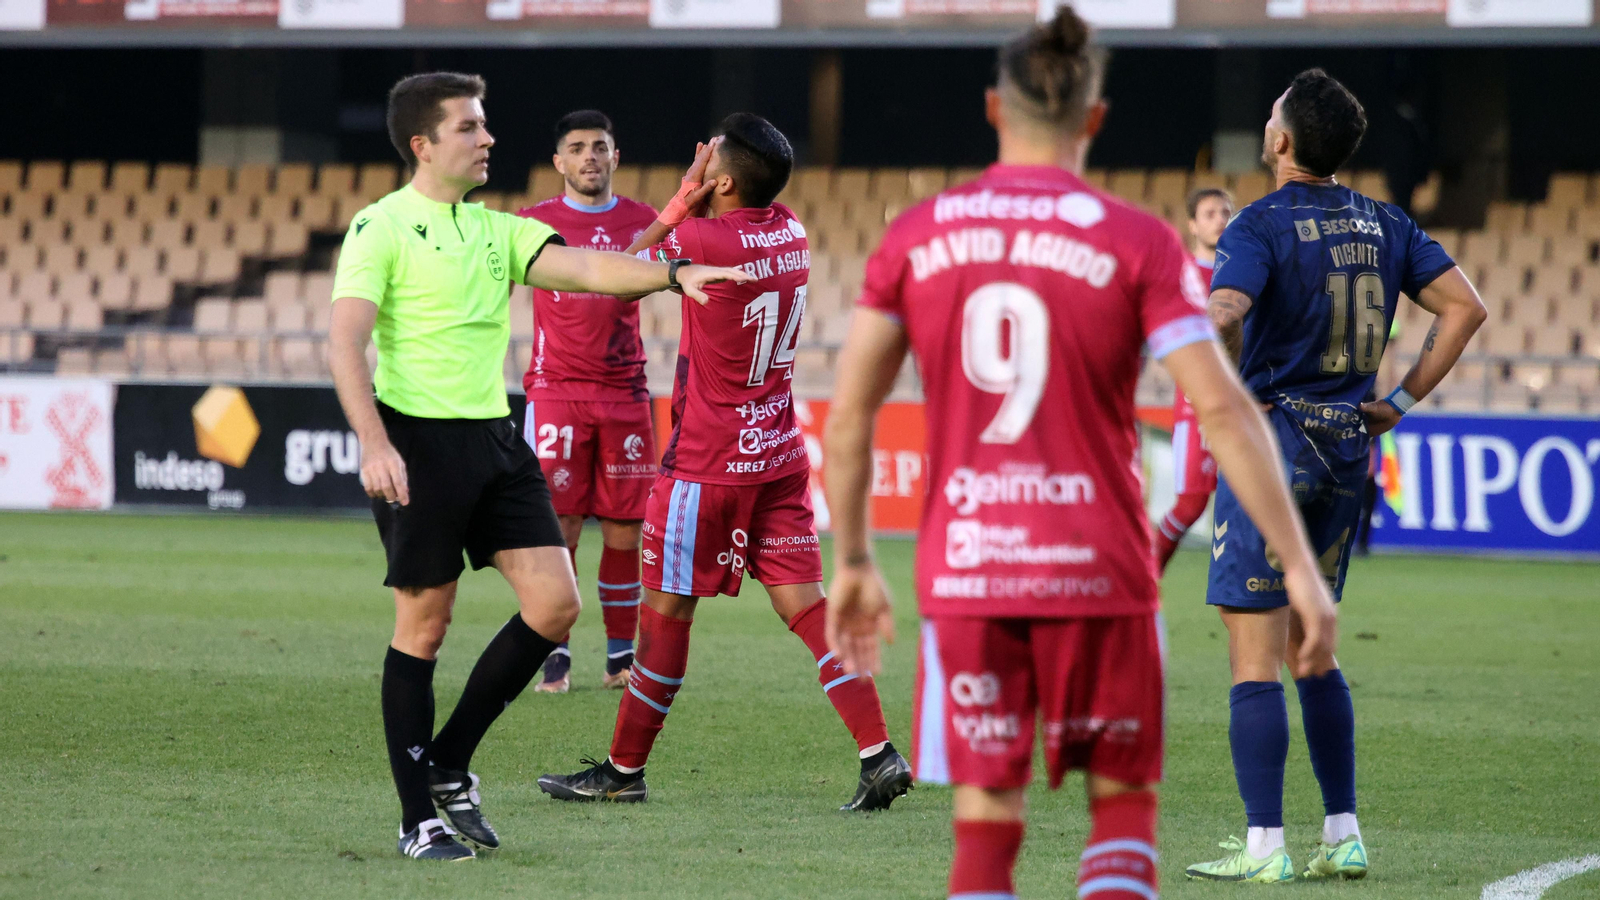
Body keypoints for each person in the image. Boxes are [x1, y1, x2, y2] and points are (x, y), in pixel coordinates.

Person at [821, 11, 1340, 900]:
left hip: (969, 574)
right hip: (1099, 574)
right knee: (1122, 827)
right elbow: (1221, 408)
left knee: (984, 843)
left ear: (993, 108)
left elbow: (850, 419)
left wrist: (858, 560)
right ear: (1094, 120)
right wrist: (1299, 566)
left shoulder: (916, 235)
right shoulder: (1135, 241)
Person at [328, 72, 750, 862]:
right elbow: (345, 342)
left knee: (556, 604)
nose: (488, 138)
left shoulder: (498, 229)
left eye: (484, 126)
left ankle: (449, 762)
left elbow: (592, 269)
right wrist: (372, 441)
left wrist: (671, 275)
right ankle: (417, 818)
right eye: (469, 128)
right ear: (424, 145)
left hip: (495, 438)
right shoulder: (378, 228)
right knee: (424, 629)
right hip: (416, 444)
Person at [536, 114, 911, 812]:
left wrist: (679, 201)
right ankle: (878, 751)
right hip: (776, 454)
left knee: (666, 616)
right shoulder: (791, 229)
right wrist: (711, 183)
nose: (700, 168)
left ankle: (623, 771)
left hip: (704, 466)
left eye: (710, 163)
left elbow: (616, 272)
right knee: (808, 608)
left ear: (725, 181)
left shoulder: (701, 237)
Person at [1187, 68, 1486, 882]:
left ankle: (1265, 849)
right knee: (1312, 647)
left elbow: (1226, 313)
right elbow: (1466, 307)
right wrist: (1400, 399)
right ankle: (1343, 833)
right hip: (1348, 447)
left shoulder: (1255, 226)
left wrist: (1202, 340)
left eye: (1273, 116)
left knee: (1254, 653)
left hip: (1273, 446)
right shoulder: (1387, 223)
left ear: (1281, 142)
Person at [516, 110, 660, 693]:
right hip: (556, 394)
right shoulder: (532, 224)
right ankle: (556, 658)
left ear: (615, 156)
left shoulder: (643, 220)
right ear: (559, 162)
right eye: (577, 147)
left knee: (627, 531)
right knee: (562, 528)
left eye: (600, 146)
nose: (589, 156)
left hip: (626, 394)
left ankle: (621, 659)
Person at [1152, 187, 1232, 572]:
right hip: (1196, 406)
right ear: (1192, 224)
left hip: (1246, 406)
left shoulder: (1244, 275)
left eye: (1225, 212)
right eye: (1210, 213)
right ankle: (1145, 577)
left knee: (1254, 506)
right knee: (1191, 504)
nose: (1220, 219)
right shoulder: (1181, 275)